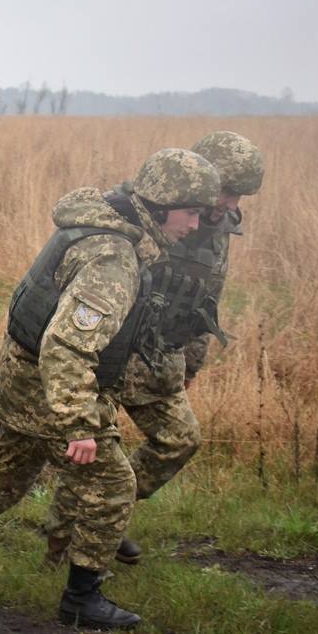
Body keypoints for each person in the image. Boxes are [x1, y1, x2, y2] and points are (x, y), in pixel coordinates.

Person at [0, 148, 220, 630]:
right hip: (48, 387)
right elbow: (67, 346)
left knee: (11, 471)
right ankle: (82, 598)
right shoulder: (112, 258)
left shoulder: (102, 223)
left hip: (21, 374)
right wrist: (79, 423)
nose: (196, 225)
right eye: (191, 212)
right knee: (113, 483)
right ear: (159, 204)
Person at [44, 132, 265, 566]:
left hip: (160, 357)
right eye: (228, 191)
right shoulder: (152, 207)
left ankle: (109, 514)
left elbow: (204, 299)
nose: (232, 204)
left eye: (239, 196)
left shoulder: (217, 230)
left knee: (180, 440)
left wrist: (191, 362)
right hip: (112, 350)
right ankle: (64, 540)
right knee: (93, 448)